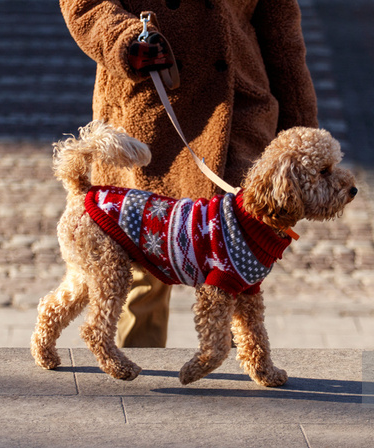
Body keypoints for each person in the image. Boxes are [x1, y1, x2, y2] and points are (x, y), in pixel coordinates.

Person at [59, 0, 319, 347]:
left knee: (236, 274)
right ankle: (142, 391)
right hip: (148, 106)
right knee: (141, 281)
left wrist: (301, 133)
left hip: (236, 117)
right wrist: (123, 37)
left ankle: (233, 387)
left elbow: (283, 34)